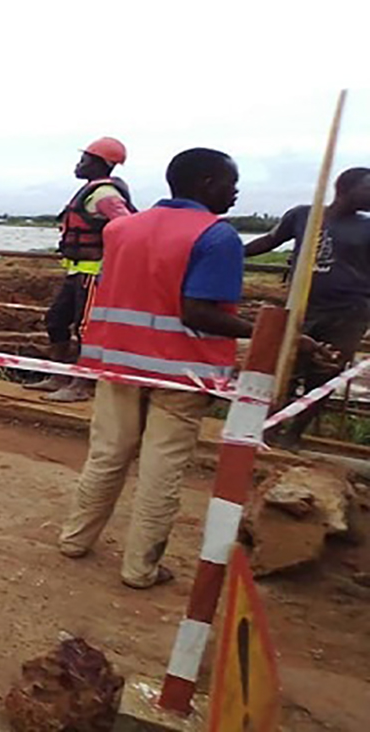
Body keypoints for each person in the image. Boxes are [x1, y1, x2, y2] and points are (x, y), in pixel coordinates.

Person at [57, 148, 329, 589]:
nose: (236, 191)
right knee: (161, 469)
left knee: (107, 455)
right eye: (230, 182)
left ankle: (74, 539)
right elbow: (197, 312)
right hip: (180, 371)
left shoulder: (123, 229)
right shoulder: (216, 237)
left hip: (118, 362)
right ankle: (140, 568)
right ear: (205, 183)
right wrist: (268, 331)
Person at [245, 167, 370, 448]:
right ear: (346, 188)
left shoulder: (367, 227)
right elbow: (270, 241)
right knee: (285, 367)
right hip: (301, 308)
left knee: (326, 371)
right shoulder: (303, 215)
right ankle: (268, 428)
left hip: (348, 313)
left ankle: (294, 434)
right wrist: (233, 252)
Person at [25, 137, 136, 403]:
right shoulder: (91, 190)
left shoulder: (105, 195)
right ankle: (60, 375)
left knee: (87, 330)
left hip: (94, 273)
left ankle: (81, 385)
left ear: (101, 164)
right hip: (76, 270)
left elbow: (128, 226)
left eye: (85, 159)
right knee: (56, 320)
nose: (79, 163)